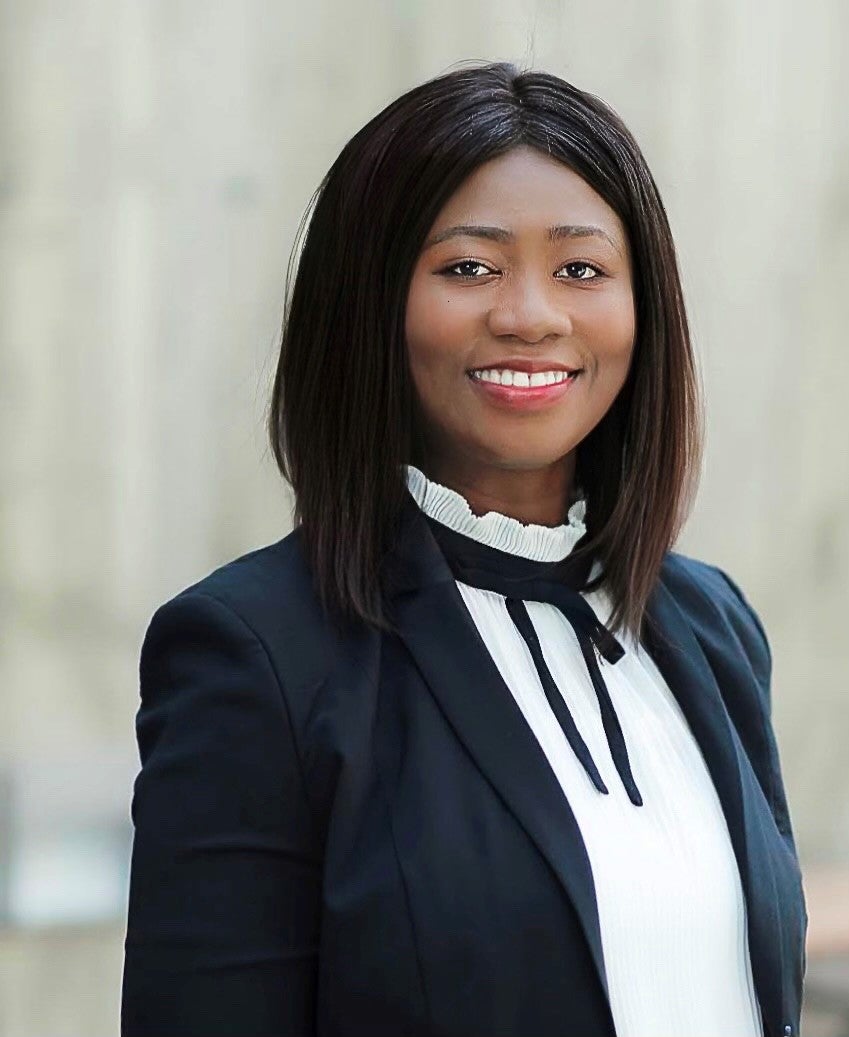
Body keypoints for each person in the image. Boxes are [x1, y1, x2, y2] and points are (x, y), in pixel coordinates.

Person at [120, 60, 807, 1037]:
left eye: (581, 268)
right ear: (368, 304)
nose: (532, 313)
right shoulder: (261, 653)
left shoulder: (712, 625)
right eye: (468, 267)